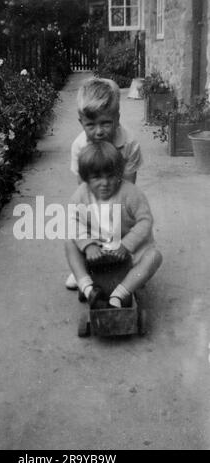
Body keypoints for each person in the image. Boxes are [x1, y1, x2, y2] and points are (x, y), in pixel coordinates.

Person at [66, 77, 143, 290]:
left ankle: (128, 264)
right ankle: (82, 270)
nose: (98, 132)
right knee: (75, 234)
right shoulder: (80, 146)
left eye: (105, 123)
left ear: (117, 118)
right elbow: (83, 190)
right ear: (81, 122)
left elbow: (129, 188)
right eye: (91, 125)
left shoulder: (129, 144)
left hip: (121, 203)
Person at [65, 141, 162, 308]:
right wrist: (88, 245)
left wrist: (126, 245)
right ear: (86, 178)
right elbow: (73, 220)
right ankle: (88, 288)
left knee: (154, 256)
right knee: (70, 244)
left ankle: (120, 293)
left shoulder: (131, 193)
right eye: (96, 177)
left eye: (110, 175)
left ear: (119, 173)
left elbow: (145, 220)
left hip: (126, 250)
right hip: (96, 249)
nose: (105, 183)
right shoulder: (81, 194)